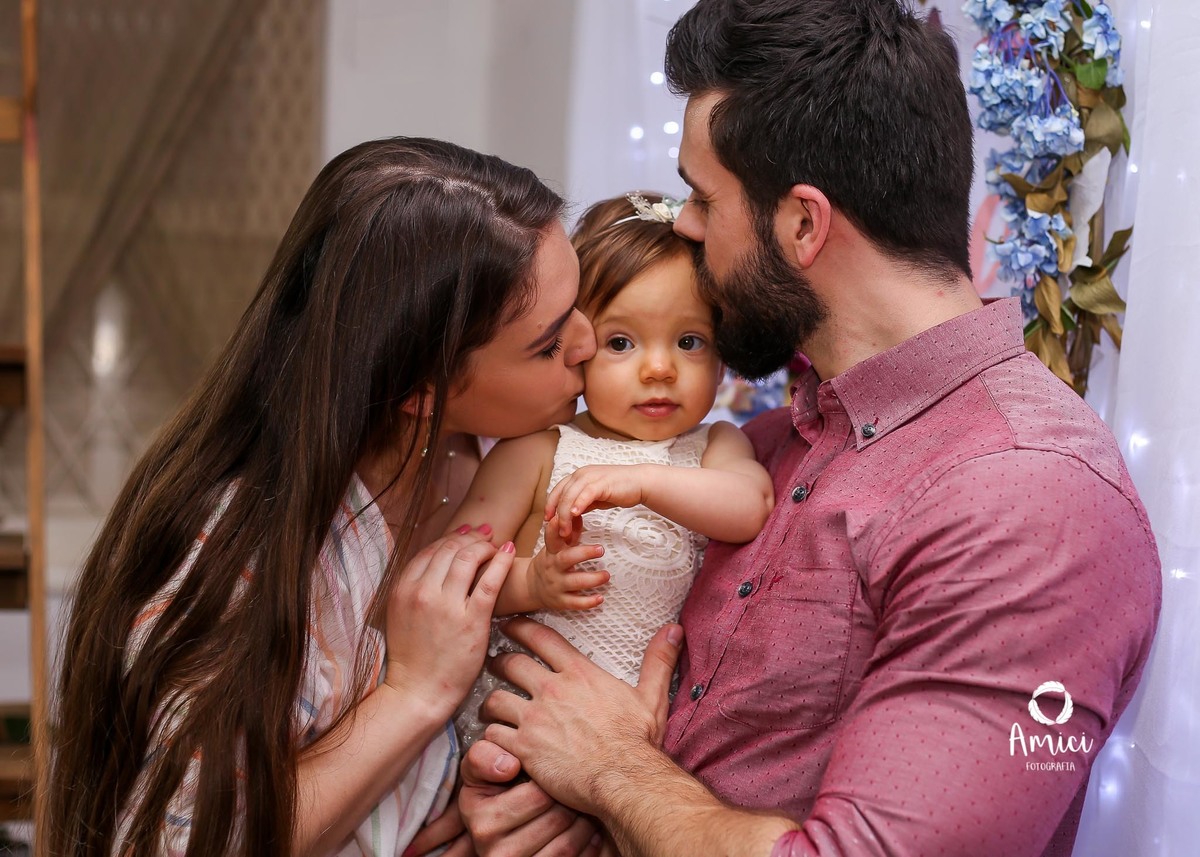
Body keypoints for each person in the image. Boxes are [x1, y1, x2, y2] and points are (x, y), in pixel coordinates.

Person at [456, 2, 1162, 856]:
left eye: (703, 198)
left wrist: (611, 772)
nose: (684, 227)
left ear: (802, 224)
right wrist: (559, 801)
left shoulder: (1029, 500)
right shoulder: (763, 447)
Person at [44, 137, 598, 857]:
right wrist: (414, 694)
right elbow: (190, 840)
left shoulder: (494, 456)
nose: (590, 342)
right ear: (418, 389)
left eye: (580, 303)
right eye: (548, 344)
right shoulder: (234, 554)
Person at [451, 193, 774, 746]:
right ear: (576, 345)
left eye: (689, 342)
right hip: (519, 714)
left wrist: (645, 482)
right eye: (621, 342)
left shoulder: (714, 446)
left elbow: (751, 507)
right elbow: (450, 575)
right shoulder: (536, 450)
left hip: (644, 727)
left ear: (722, 359)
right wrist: (533, 582)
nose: (659, 369)